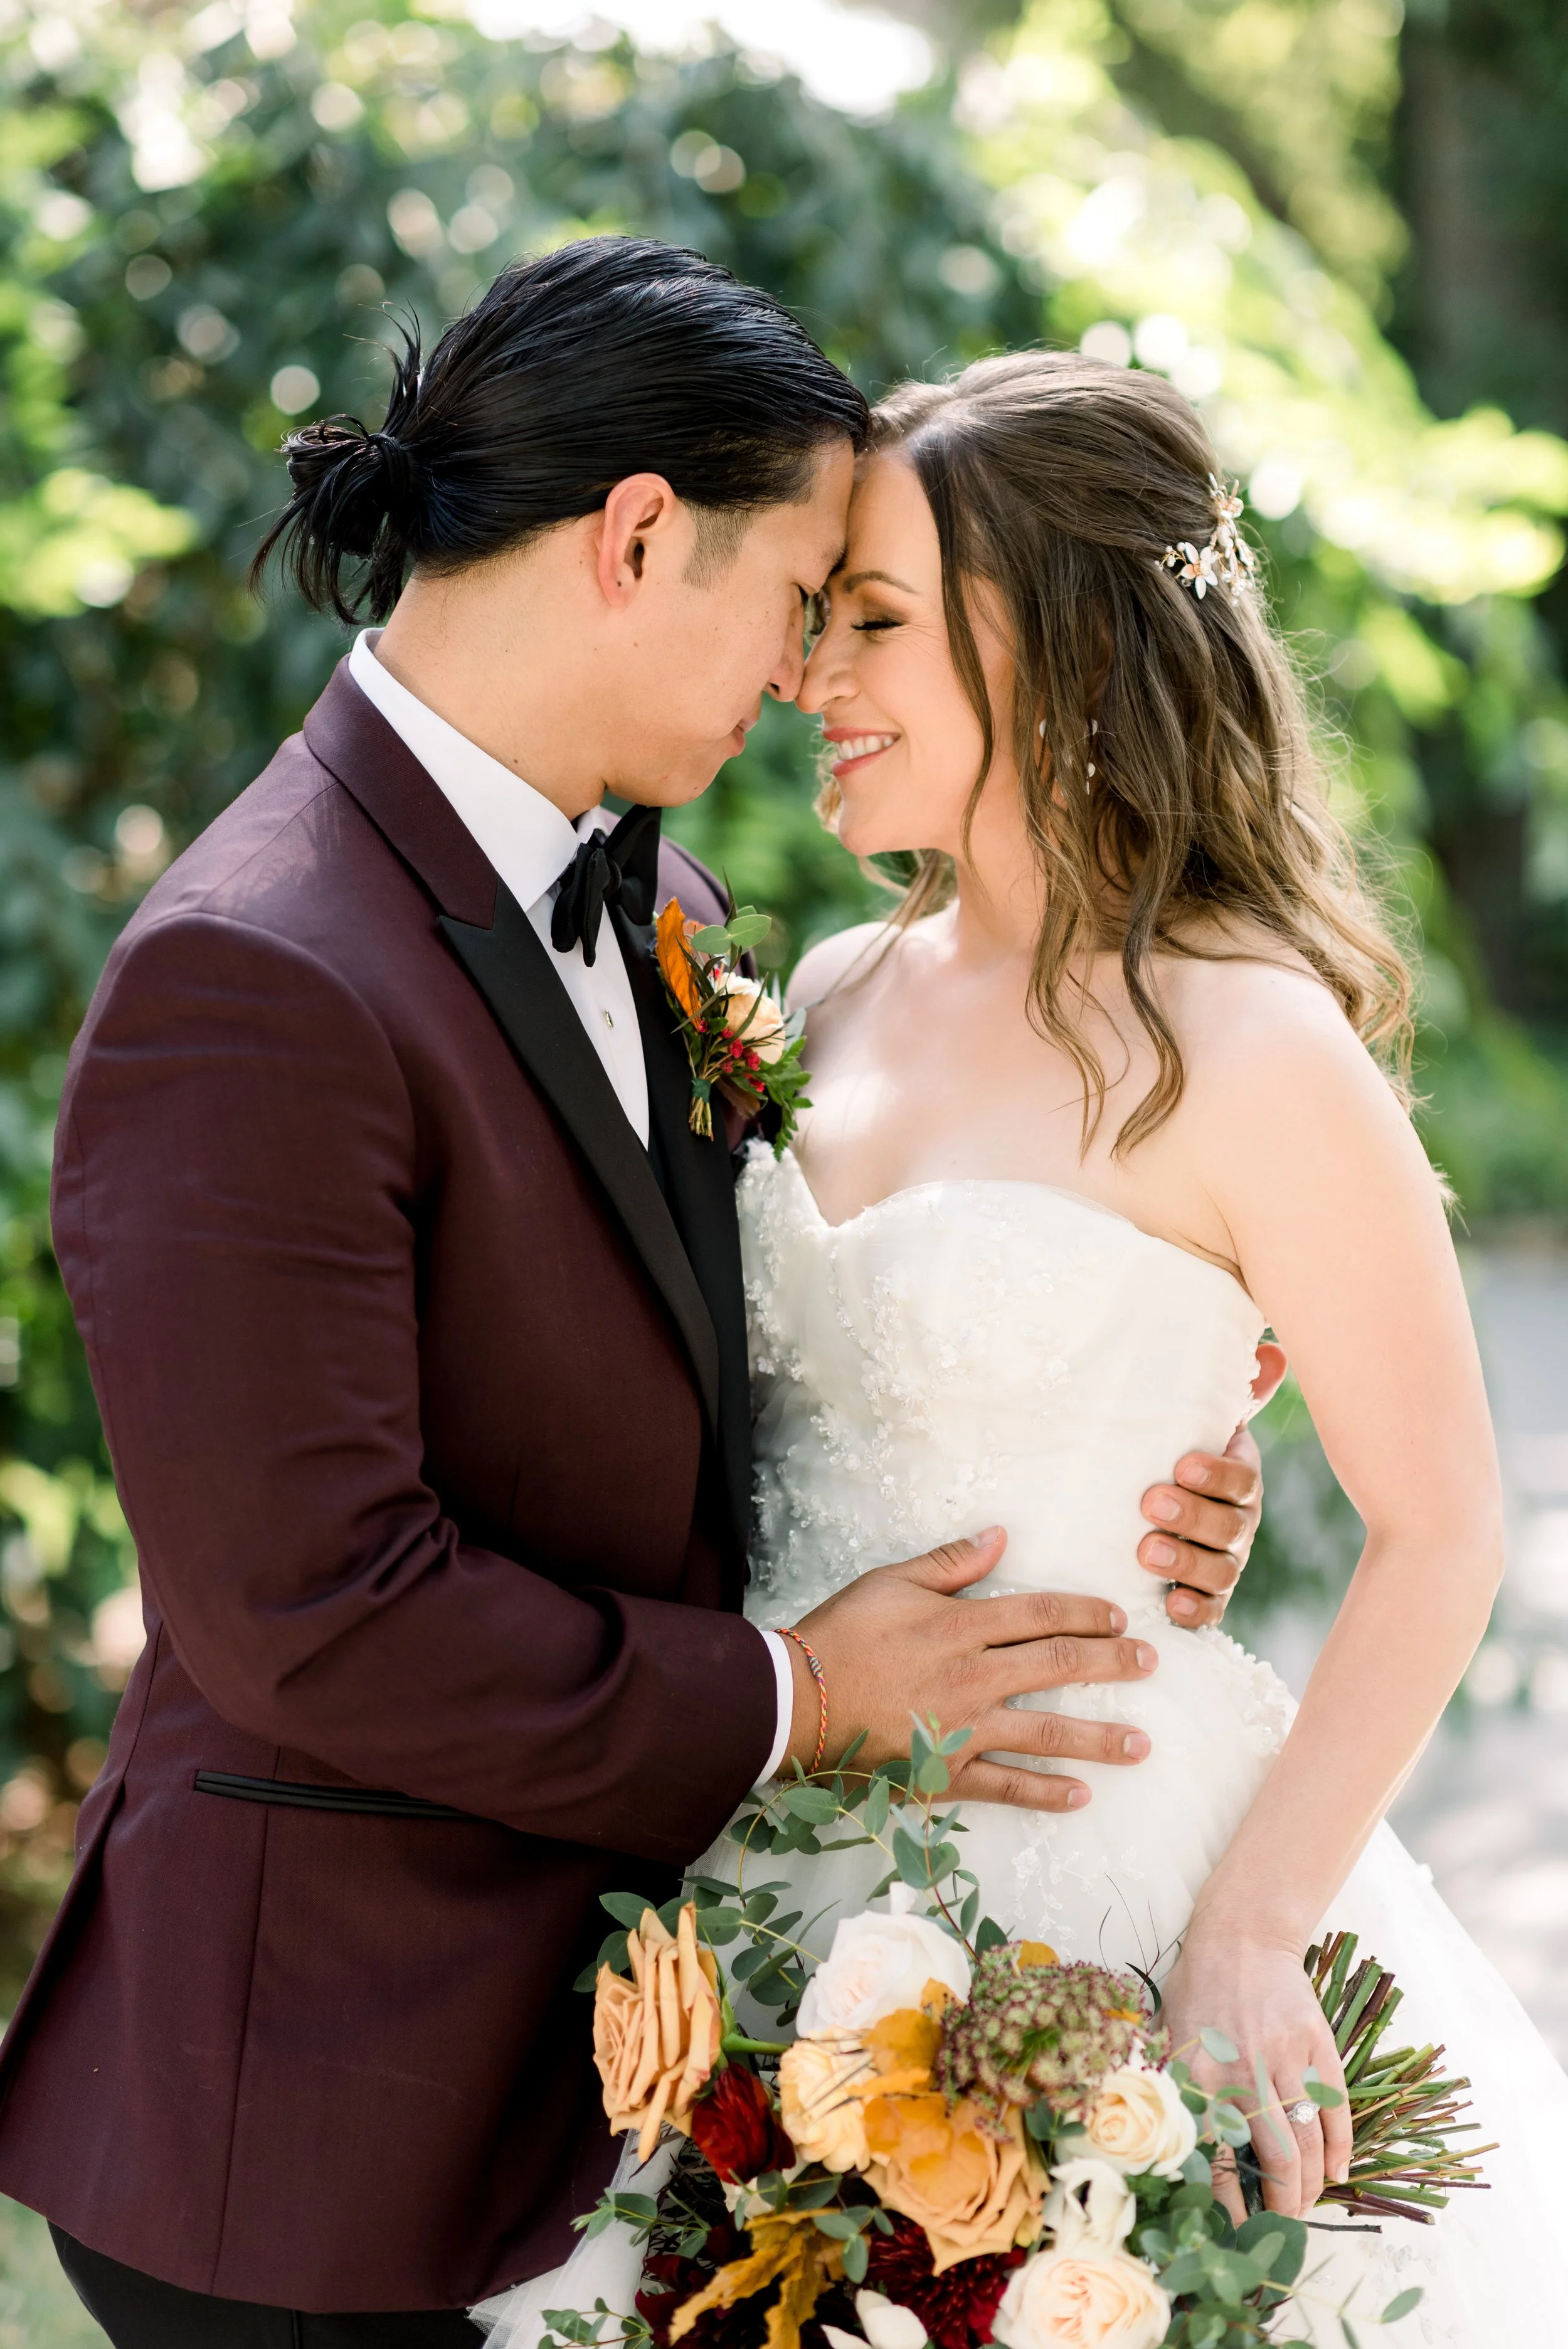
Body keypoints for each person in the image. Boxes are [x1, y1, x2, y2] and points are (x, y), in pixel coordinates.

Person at [0, 246, 1263, 2347]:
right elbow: (312, 1604)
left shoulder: (655, 896)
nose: (801, 674)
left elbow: (757, 1351)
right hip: (314, 2124)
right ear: (641, 536)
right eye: (799, 600)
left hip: (619, 2073)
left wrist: (1129, 1475)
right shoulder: (254, 976)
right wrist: (802, 1700)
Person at [546, 351, 1568, 2344]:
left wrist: (1251, 1925)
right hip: (762, 1856)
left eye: (875, 621)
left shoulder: (1246, 1045)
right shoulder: (816, 995)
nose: (810, 673)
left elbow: (1442, 1527)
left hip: (1102, 1877)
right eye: (817, 613)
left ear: (1057, 646)